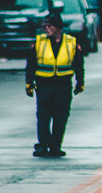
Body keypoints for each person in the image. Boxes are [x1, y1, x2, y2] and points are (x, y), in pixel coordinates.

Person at [25, 13, 85, 158]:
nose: (46, 28)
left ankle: (56, 146)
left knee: (61, 117)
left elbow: (78, 64)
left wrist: (80, 82)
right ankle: (43, 145)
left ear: (58, 27)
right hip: (44, 85)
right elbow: (31, 64)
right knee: (44, 116)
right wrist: (29, 83)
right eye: (45, 26)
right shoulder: (39, 42)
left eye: (49, 26)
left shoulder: (71, 43)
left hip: (63, 86)